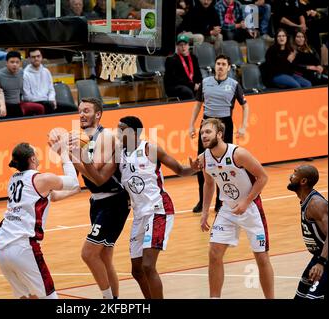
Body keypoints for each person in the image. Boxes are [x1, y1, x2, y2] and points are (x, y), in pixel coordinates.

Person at [77, 115, 200, 299]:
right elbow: (99, 178)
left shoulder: (150, 149)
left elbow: (180, 170)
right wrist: (83, 157)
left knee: (148, 266)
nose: (117, 132)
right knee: (137, 270)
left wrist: (194, 168)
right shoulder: (119, 154)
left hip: (158, 209)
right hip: (140, 214)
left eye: (121, 128)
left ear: (134, 132)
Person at [0, 141, 80, 299]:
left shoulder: (13, 179)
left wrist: (74, 191)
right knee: (50, 297)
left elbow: (52, 196)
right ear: (32, 159)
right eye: (36, 153)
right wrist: (64, 154)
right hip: (23, 247)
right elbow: (72, 181)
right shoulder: (42, 179)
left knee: (28, 296)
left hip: (2, 248)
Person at [199, 118, 274, 298]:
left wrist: (246, 202)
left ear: (219, 134)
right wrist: (204, 212)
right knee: (214, 253)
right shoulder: (203, 158)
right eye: (202, 133)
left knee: (261, 257)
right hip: (227, 209)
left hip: (251, 208)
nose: (203, 136)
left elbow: (263, 177)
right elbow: (209, 184)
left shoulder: (238, 154)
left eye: (207, 132)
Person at [70, 97, 131, 299]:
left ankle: (106, 298)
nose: (81, 115)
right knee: (104, 257)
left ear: (98, 114)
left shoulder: (106, 136)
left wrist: (72, 155)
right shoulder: (83, 137)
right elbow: (77, 177)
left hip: (114, 201)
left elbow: (95, 170)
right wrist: (58, 192)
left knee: (88, 254)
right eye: (80, 111)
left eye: (86, 111)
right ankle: (114, 300)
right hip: (97, 201)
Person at [189, 54, 249, 213]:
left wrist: (243, 126)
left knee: (223, 163)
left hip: (225, 125)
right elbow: (197, 105)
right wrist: (191, 125)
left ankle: (220, 201)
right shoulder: (205, 83)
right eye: (218, 64)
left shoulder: (234, 84)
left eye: (223, 64)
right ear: (214, 66)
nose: (220, 66)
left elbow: (245, 106)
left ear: (229, 67)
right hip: (207, 122)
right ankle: (202, 201)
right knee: (202, 163)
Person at [287, 164, 327, 299]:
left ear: (303, 181)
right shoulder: (306, 200)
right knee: (300, 294)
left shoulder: (315, 203)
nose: (290, 176)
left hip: (324, 259)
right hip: (319, 256)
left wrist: (321, 262)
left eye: (295, 173)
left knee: (312, 297)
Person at [0, 51, 44, 118]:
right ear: (6, 63)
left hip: (18, 104)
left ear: (20, 63)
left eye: (17, 62)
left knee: (40, 107)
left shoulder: (21, 72)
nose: (15, 64)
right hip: (5, 105)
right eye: (12, 62)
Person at [164, 34, 203, 101]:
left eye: (185, 44)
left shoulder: (193, 58)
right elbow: (177, 79)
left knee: (205, 90)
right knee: (187, 92)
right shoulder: (171, 59)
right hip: (175, 86)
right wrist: (193, 86)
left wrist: (199, 84)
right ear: (177, 46)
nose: (183, 47)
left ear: (188, 46)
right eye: (181, 45)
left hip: (190, 84)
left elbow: (198, 74)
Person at [22, 49, 57, 114]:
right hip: (34, 102)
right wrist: (45, 100)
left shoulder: (46, 71)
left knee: (71, 108)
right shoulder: (25, 74)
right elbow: (27, 96)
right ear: (29, 59)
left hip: (48, 101)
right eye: (33, 57)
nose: (36, 58)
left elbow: (51, 89)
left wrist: (52, 99)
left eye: (38, 56)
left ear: (41, 57)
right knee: (49, 106)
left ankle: (76, 124)